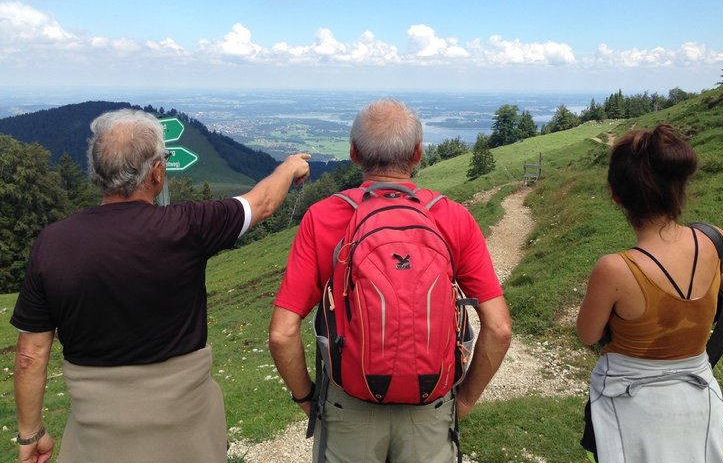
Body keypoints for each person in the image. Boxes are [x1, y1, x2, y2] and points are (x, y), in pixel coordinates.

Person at [11, 108, 310, 463]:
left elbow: (30, 356)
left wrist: (31, 432)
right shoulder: (187, 227)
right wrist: (289, 167)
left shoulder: (53, 243)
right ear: (156, 172)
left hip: (96, 437)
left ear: (97, 173)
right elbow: (263, 203)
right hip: (188, 432)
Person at [269, 98, 512, 463]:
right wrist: (463, 401)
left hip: (348, 405)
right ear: (418, 154)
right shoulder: (452, 217)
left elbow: (282, 333)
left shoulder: (323, 218)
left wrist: (308, 399)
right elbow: (500, 328)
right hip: (430, 409)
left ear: (353, 153)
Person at [576, 124, 723, 463]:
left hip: (631, 403)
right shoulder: (712, 241)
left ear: (616, 195)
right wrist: (706, 297)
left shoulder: (615, 269)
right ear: (678, 189)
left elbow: (588, 334)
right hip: (697, 395)